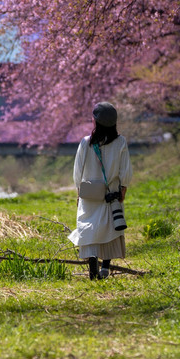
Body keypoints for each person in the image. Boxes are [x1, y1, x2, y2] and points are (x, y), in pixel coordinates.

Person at [68, 101, 132, 280]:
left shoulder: (86, 143)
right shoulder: (120, 142)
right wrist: (123, 189)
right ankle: (105, 267)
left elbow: (77, 172)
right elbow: (125, 170)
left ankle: (93, 264)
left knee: (89, 227)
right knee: (110, 226)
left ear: (95, 122)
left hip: (89, 194)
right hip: (111, 193)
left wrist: (79, 192)